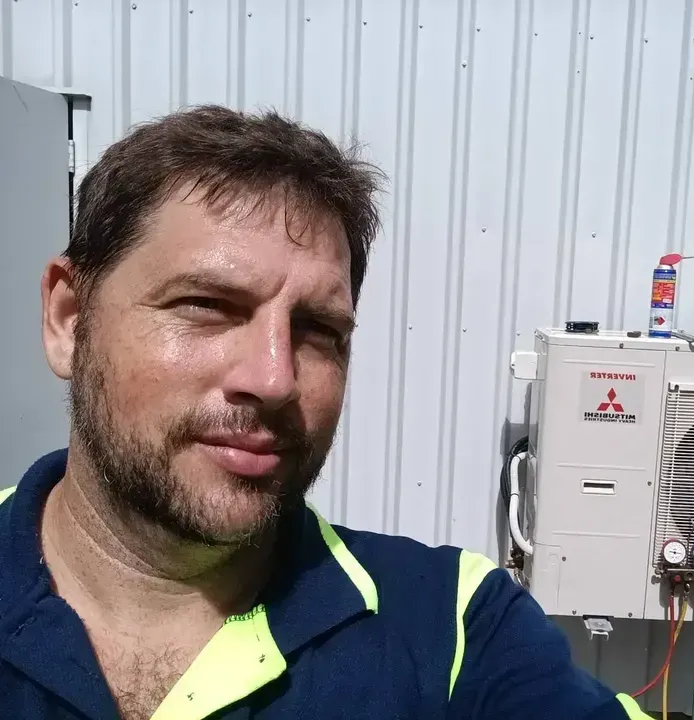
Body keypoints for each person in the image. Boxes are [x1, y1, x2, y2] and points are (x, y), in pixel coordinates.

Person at [0, 105, 653, 720]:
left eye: (316, 330)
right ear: (70, 319)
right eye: (207, 305)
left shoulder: (450, 629)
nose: (275, 379)